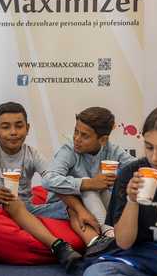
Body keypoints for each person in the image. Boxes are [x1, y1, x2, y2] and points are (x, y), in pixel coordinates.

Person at [84, 107, 157, 276]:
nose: (154, 157)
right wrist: (132, 201)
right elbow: (123, 242)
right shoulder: (131, 172)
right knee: (96, 275)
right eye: (149, 147)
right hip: (144, 265)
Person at [0, 102, 82, 271]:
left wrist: (78, 206)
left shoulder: (32, 153)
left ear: (28, 128)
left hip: (28, 208)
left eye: (19, 126)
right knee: (12, 200)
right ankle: (58, 246)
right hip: (0, 209)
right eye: (5, 127)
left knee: (74, 203)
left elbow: (52, 179)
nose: (13, 132)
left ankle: (95, 243)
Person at [43, 107, 135, 257]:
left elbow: (136, 168)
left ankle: (111, 232)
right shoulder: (69, 150)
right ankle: (108, 233)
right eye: (76, 132)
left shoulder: (113, 150)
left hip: (100, 202)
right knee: (88, 185)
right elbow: (48, 180)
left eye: (84, 135)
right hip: (64, 203)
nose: (77, 139)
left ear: (103, 140)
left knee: (106, 190)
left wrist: (119, 179)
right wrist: (88, 183)